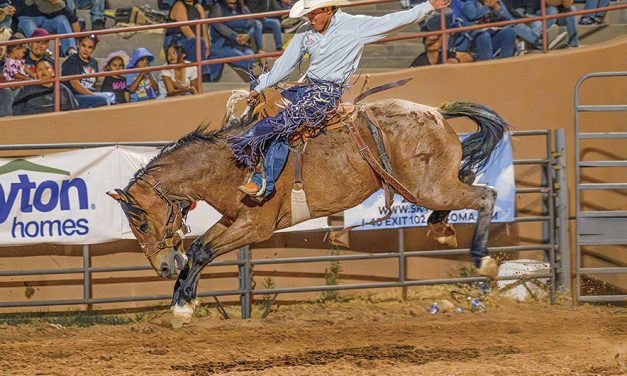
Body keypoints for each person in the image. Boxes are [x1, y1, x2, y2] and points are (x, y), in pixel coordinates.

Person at [229, 0, 449, 198]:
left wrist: (428, 6)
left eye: (314, 13)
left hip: (327, 93)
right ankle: (250, 166)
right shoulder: (305, 32)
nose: (310, 18)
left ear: (328, 9)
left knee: (287, 122)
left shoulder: (354, 26)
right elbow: (285, 64)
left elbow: (393, 20)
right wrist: (260, 86)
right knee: (268, 110)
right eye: (308, 14)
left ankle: (263, 181)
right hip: (305, 87)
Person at [207, 0, 257, 81]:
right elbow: (218, 25)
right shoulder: (218, 7)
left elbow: (252, 25)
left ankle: (258, 78)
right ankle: (260, 75)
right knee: (242, 58)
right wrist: (235, 36)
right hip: (222, 45)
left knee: (251, 56)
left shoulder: (243, 8)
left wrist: (247, 35)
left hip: (241, 44)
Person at [163, 0, 211, 80]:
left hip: (194, 40)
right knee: (198, 43)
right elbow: (185, 29)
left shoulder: (198, 7)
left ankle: (200, 75)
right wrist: (199, 44)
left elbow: (204, 27)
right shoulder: (179, 5)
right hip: (176, 41)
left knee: (203, 45)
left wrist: (207, 45)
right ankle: (202, 75)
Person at [61, 34, 112, 108]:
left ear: (93, 49)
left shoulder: (94, 62)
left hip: (89, 94)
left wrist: (93, 95)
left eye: (90, 47)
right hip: (74, 96)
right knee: (102, 100)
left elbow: (93, 83)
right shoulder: (72, 61)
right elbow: (75, 84)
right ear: (78, 44)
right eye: (83, 45)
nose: (86, 50)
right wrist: (92, 95)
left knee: (111, 96)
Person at [12, 57, 77, 114]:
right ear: (36, 74)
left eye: (46, 68)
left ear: (53, 72)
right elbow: (17, 111)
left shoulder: (63, 89)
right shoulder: (27, 90)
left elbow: (73, 110)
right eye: (40, 69)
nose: (43, 71)